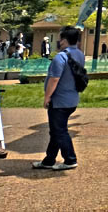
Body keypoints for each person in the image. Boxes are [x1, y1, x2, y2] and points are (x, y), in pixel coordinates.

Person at [33, 27, 84, 171]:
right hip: (72, 99)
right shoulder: (79, 54)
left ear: (65, 40)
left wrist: (47, 97)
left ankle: (70, 159)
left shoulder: (60, 57)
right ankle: (49, 160)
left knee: (59, 131)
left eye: (60, 38)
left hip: (59, 101)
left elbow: (54, 79)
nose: (58, 41)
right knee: (56, 130)